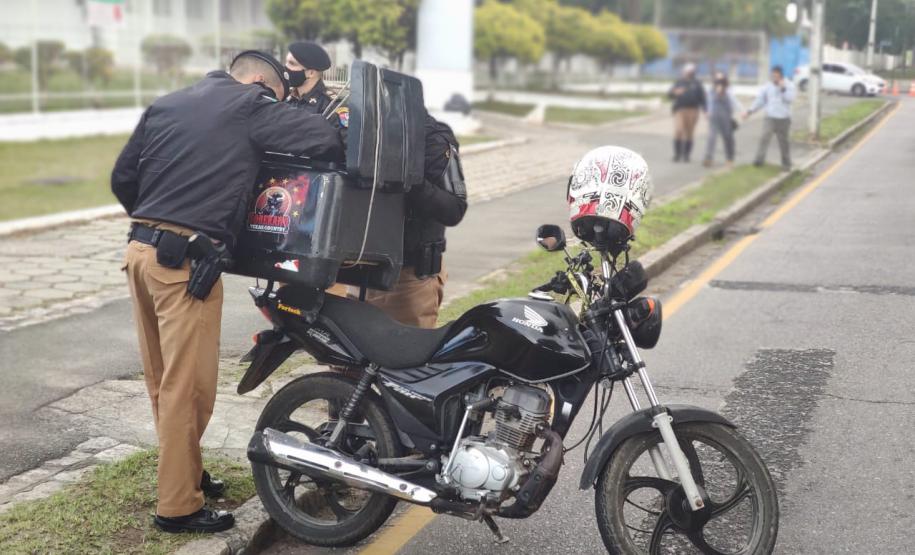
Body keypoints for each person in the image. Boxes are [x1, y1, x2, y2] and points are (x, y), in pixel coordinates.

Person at [111, 50, 343, 534]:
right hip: (184, 267)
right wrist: (185, 230)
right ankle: (178, 508)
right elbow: (322, 137)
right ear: (258, 81)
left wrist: (162, 221)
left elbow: (123, 178)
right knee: (188, 388)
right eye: (276, 94)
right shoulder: (250, 104)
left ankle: (186, 473)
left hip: (139, 253)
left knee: (163, 381)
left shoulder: (169, 103)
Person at [363, 113, 468, 328]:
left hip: (407, 280)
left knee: (404, 348)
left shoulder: (431, 137)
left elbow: (454, 209)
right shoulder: (363, 128)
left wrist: (409, 179)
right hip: (359, 275)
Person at [744, 65, 795, 171]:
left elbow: (790, 99)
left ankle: (786, 164)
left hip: (783, 118)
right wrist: (750, 111)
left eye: (776, 76)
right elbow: (760, 100)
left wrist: (783, 89)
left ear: (781, 76)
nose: (774, 78)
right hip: (770, 117)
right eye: (773, 76)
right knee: (764, 137)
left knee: (783, 142)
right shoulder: (767, 86)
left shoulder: (789, 85)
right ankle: (759, 160)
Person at [703, 72, 743, 168]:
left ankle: (730, 159)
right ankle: (708, 158)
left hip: (726, 117)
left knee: (728, 138)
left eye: (721, 80)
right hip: (714, 116)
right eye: (717, 80)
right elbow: (710, 102)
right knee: (711, 137)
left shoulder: (728, 91)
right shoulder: (712, 90)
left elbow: (734, 101)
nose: (719, 82)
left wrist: (742, 111)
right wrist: (708, 111)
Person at [668, 63, 706, 163]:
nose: (688, 73)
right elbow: (670, 94)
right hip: (680, 110)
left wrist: (705, 110)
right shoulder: (679, 82)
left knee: (689, 133)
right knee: (679, 130)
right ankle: (677, 154)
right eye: (686, 71)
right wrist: (675, 93)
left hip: (693, 110)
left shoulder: (697, 83)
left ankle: (686, 155)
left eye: (690, 71)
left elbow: (702, 98)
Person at [285, 41, 334, 115]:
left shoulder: (330, 105)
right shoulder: (286, 97)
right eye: (286, 62)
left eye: (292, 63)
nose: (286, 67)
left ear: (311, 73)